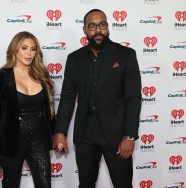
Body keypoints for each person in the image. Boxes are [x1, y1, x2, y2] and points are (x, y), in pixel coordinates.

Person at [53, 9, 142, 188]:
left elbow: (133, 98)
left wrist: (130, 136)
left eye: (102, 25)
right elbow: (68, 97)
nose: (98, 30)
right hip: (85, 133)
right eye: (92, 26)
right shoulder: (74, 59)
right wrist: (59, 131)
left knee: (123, 184)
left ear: (107, 27)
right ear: (85, 29)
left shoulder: (126, 55)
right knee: (85, 184)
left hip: (117, 134)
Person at [0, 31, 54, 188]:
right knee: (10, 185)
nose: (29, 53)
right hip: (11, 140)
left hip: (39, 140)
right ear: (15, 49)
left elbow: (49, 111)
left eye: (33, 49)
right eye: (24, 48)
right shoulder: (2, 75)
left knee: (45, 184)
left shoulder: (41, 75)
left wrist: (57, 134)